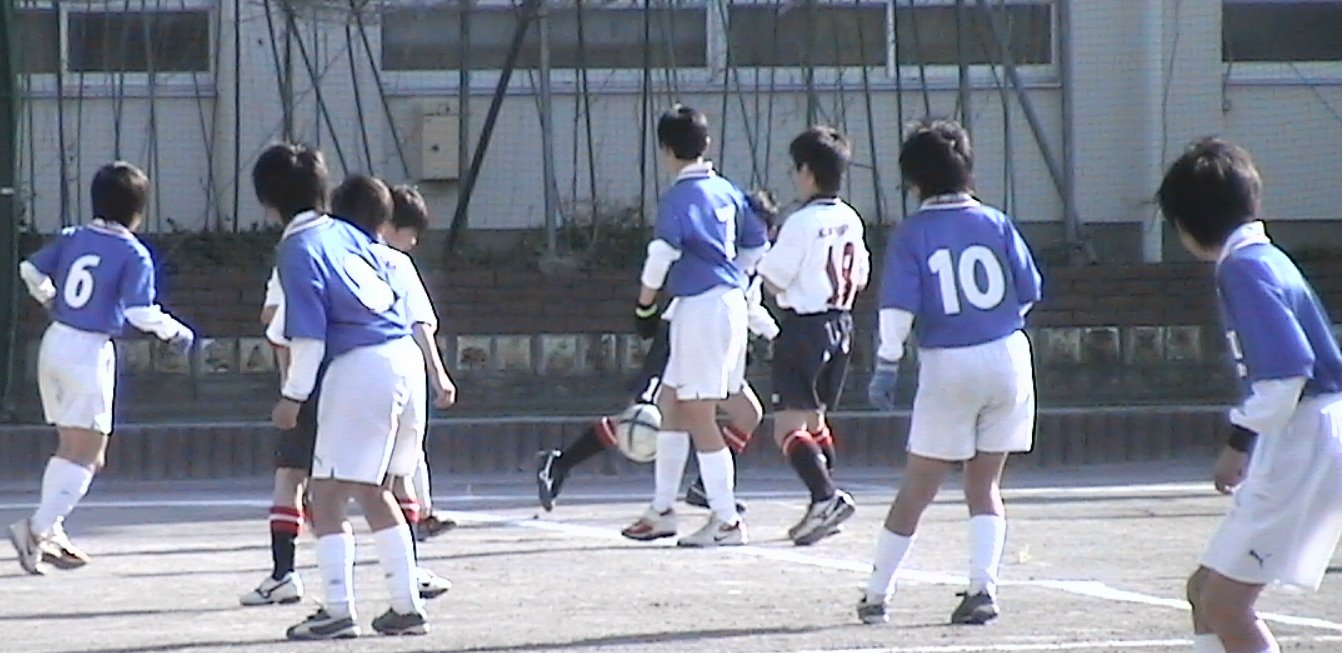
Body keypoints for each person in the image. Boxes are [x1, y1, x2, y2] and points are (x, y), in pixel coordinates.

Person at [1159, 138, 1342, 653]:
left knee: (1225, 605)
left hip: (1304, 437)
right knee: (1203, 593)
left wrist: (1238, 444)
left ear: (1186, 225)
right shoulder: (1265, 258)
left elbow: (1287, 373)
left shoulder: (1243, 267)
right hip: (1305, 431)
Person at [861, 119, 1041, 625]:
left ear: (914, 178)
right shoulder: (996, 222)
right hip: (1008, 354)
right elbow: (1028, 292)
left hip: (949, 362)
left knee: (918, 486)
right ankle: (983, 588)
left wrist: (887, 363)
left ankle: (877, 594)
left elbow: (897, 308)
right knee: (985, 485)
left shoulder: (913, 233)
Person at [255, 144, 427, 640]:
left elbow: (308, 336)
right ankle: (406, 604)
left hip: (358, 365)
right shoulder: (347, 231)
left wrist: (292, 398)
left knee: (325, 495)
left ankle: (337, 609)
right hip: (402, 357)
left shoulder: (297, 248)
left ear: (267, 201)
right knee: (375, 489)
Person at [536, 190, 781, 518]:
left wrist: (773, 333)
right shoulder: (730, 256)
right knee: (646, 415)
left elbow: (750, 305)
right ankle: (561, 463)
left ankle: (704, 489)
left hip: (712, 342)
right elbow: (741, 303)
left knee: (748, 413)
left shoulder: (749, 258)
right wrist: (777, 334)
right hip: (680, 336)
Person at [9, 161, 194, 575]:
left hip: (55, 340)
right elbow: (140, 311)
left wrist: (48, 297)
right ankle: (35, 529)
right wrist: (176, 332)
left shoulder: (73, 236)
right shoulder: (133, 252)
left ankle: (51, 529)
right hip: (89, 351)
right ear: (139, 209)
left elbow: (29, 268)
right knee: (90, 453)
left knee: (69, 446)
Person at [625, 104, 768, 547]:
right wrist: (734, 279)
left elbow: (661, 255)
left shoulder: (679, 197)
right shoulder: (727, 190)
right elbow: (756, 244)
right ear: (707, 144)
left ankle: (726, 520)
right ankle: (662, 510)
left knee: (698, 413)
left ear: (666, 151)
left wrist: (644, 306)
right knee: (670, 402)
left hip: (701, 308)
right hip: (724, 304)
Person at [756, 126, 870, 546]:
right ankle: (824, 501)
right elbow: (861, 277)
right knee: (815, 419)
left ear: (807, 171)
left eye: (795, 169)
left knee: (786, 428)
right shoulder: (850, 217)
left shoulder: (801, 222)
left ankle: (825, 497)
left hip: (804, 327)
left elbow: (773, 280)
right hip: (842, 324)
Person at [385, 184, 457, 540]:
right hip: (402, 367)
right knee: (405, 452)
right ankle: (415, 520)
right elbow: (420, 323)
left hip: (354, 370)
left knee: (401, 454)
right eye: (411, 232)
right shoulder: (397, 264)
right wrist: (438, 373)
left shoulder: (345, 257)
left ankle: (420, 514)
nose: (413, 242)